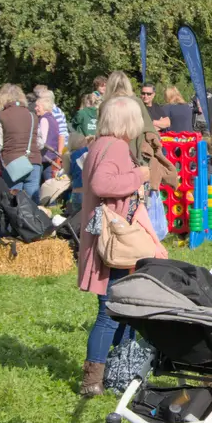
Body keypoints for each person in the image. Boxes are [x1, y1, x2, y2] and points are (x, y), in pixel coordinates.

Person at [75, 96, 150, 396]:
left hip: (106, 239)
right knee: (111, 310)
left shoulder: (99, 144)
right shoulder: (116, 147)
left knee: (119, 307)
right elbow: (102, 185)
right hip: (114, 242)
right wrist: (139, 176)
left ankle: (116, 369)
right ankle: (93, 379)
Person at [0, 84, 39, 200]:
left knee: (14, 201)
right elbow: (41, 143)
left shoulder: (1, 116)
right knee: (33, 201)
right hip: (33, 161)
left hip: (12, 163)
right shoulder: (33, 116)